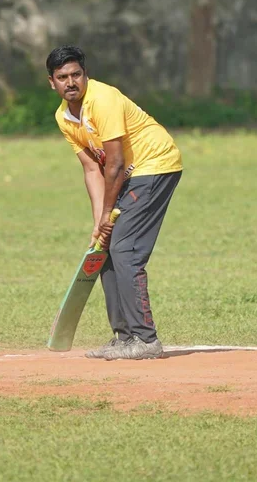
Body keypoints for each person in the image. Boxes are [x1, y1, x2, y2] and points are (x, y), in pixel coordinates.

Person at [46, 45, 183, 360]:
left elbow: (116, 163)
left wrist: (109, 212)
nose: (71, 82)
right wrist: (99, 222)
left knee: (126, 249)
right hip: (125, 175)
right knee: (106, 246)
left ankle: (146, 340)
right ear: (51, 82)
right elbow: (92, 168)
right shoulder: (64, 118)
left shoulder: (102, 100)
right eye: (62, 77)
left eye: (76, 74)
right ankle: (124, 337)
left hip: (155, 165)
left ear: (85, 74)